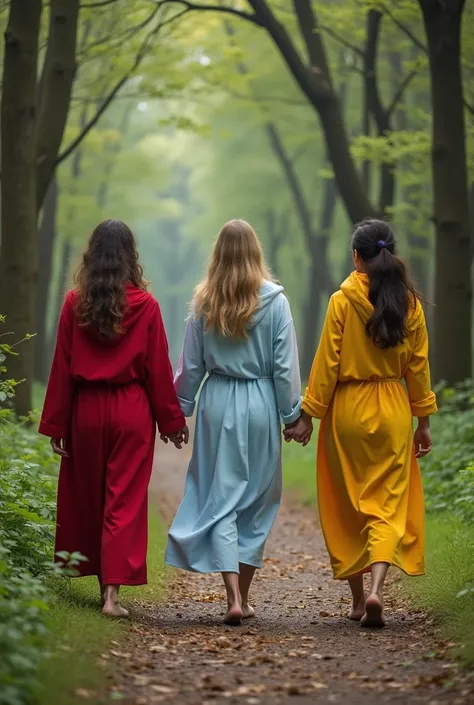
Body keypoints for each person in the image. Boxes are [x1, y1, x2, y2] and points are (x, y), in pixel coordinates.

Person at [286, 219, 437, 628]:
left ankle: (356, 601)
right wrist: (423, 422)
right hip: (392, 409)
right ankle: (376, 590)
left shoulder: (342, 300)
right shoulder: (411, 304)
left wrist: (308, 416)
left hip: (348, 410)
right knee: (386, 506)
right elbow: (419, 368)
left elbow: (327, 364)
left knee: (347, 504)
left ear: (357, 257)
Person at [39, 219, 188, 618]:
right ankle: (112, 597)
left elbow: (62, 366)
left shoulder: (74, 303)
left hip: (85, 410)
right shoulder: (146, 305)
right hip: (131, 411)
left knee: (90, 497)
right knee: (123, 500)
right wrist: (172, 423)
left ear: (93, 255)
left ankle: (94, 576)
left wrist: (57, 424)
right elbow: (157, 370)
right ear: (130, 257)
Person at [165, 219, 302, 626]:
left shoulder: (204, 301)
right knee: (256, 498)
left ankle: (231, 597)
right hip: (260, 401)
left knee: (219, 495)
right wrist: (293, 416)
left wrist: (181, 409)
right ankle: (242, 593)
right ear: (256, 252)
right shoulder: (276, 302)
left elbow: (190, 366)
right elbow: (284, 368)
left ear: (218, 254)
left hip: (218, 400)